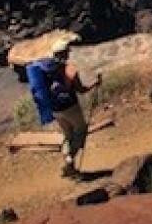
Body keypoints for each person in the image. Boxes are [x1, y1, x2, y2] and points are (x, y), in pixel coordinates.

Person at [26, 36, 100, 178]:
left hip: (55, 109)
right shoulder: (69, 70)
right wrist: (95, 84)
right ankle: (69, 159)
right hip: (70, 107)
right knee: (81, 130)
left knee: (68, 135)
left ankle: (69, 165)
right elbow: (81, 90)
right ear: (65, 53)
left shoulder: (43, 69)